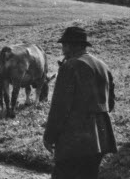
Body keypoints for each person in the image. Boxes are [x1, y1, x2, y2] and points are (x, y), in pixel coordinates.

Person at [43, 26, 117, 179]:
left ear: (70, 45)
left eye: (64, 45)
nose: (63, 50)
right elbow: (110, 104)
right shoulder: (102, 66)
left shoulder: (69, 66)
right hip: (101, 139)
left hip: (75, 139)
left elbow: (60, 108)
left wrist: (49, 136)